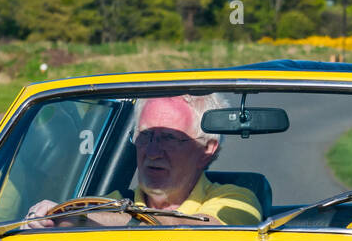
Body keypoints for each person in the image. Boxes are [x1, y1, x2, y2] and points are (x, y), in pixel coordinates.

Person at [27, 94, 262, 227]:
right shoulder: (113, 202)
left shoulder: (236, 199)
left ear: (207, 149)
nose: (152, 151)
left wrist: (82, 217)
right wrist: (50, 219)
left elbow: (204, 229)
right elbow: (76, 222)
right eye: (145, 135)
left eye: (169, 137)